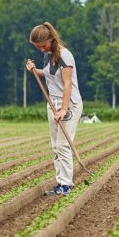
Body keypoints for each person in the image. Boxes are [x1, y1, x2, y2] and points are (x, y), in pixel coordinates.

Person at [25, 22, 83, 196]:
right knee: (55, 146)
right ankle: (60, 183)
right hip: (53, 104)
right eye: (38, 47)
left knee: (63, 145)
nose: (41, 50)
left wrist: (64, 109)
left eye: (43, 46)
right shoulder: (48, 54)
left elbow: (67, 85)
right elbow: (49, 73)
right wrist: (35, 70)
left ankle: (66, 185)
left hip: (69, 104)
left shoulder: (65, 55)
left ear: (51, 39)